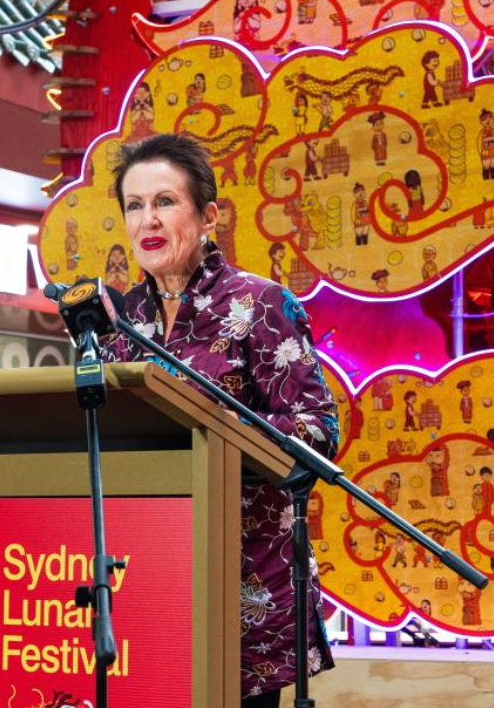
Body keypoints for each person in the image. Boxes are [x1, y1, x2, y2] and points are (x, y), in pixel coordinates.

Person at [101, 133, 339, 707]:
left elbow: (318, 430)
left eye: (164, 202)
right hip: (148, 572)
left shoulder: (260, 305)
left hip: (245, 576)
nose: (147, 220)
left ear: (208, 215)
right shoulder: (117, 321)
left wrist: (215, 432)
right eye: (134, 205)